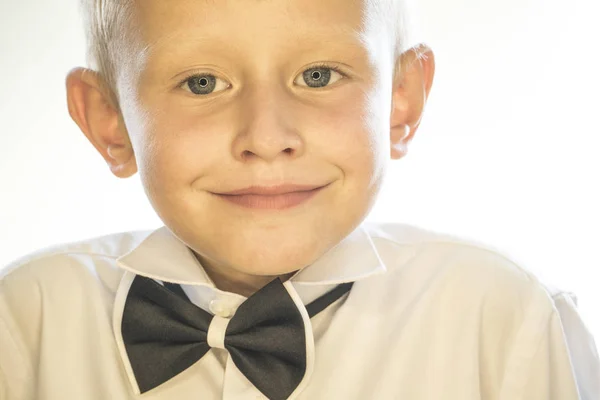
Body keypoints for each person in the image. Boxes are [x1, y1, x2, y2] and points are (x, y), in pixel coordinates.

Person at [1, 0, 598, 398]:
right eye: (202, 83)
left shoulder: (500, 316)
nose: (266, 139)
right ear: (110, 121)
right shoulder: (25, 322)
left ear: (402, 101)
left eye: (318, 76)